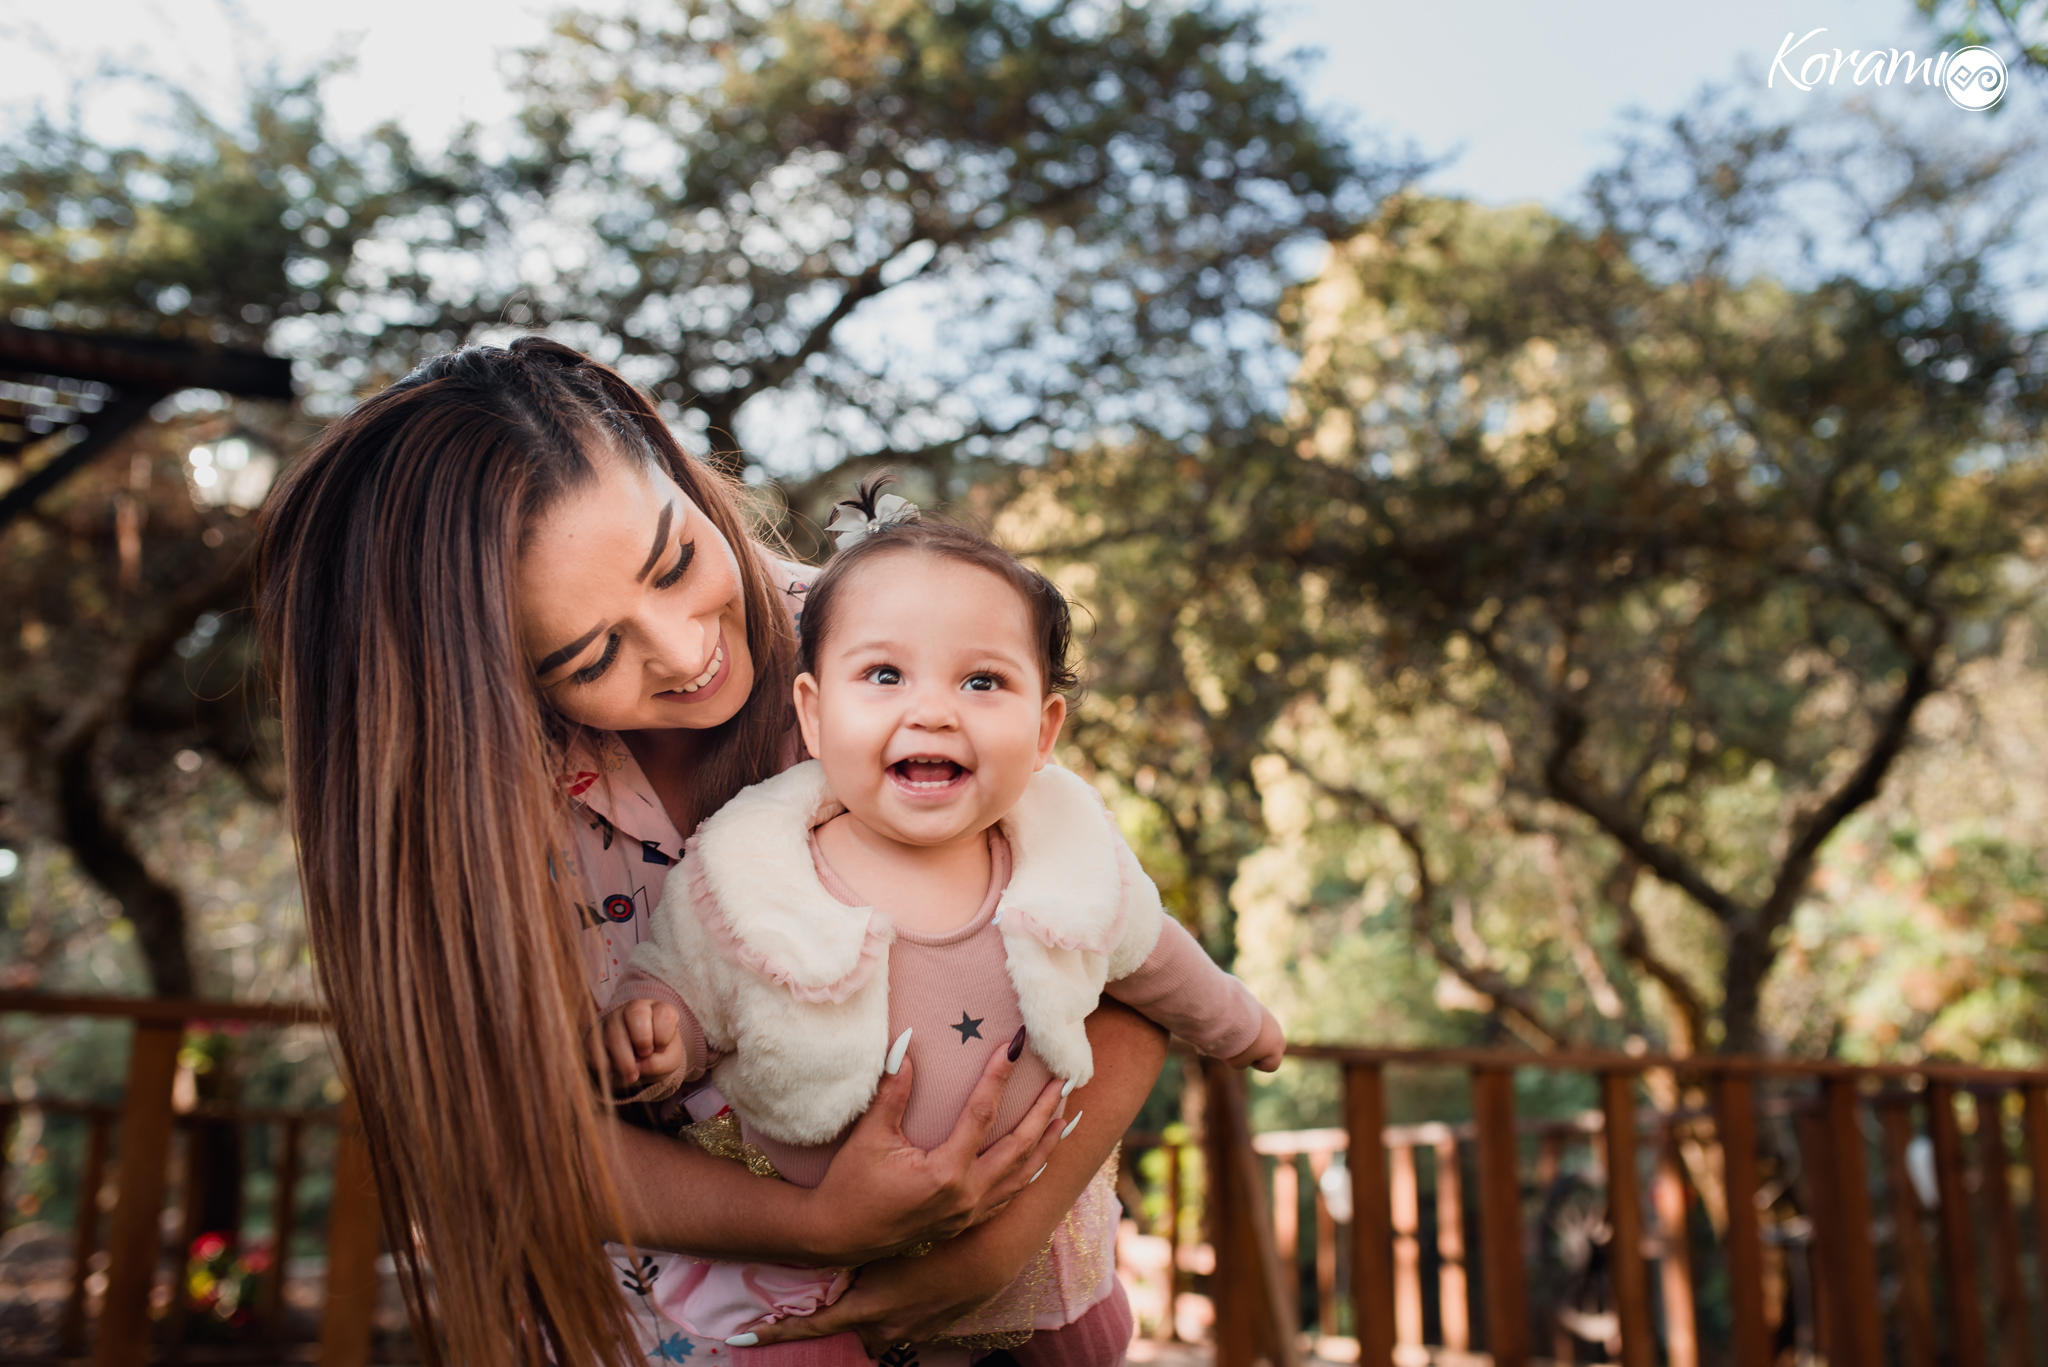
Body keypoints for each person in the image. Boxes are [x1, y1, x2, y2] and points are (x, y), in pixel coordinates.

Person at [255, 338, 1169, 1367]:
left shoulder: (893, 644)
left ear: (666, 455)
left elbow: (1133, 980)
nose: (688, 652)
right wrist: (822, 1226)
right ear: (485, 676)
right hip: (689, 1334)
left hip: (1019, 1313)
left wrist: (991, 1245)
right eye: (591, 654)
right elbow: (510, 1129)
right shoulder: (472, 807)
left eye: (678, 561)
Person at [592, 481, 1285, 1367]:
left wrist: (1241, 1022)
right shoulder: (752, 867)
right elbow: (687, 976)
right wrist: (662, 1036)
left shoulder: (1066, 852)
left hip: (1025, 1227)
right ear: (812, 713)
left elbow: (1150, 954)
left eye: (982, 680)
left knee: (1083, 1343)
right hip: (814, 1258)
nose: (932, 709)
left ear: (1044, 730)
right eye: (884, 675)